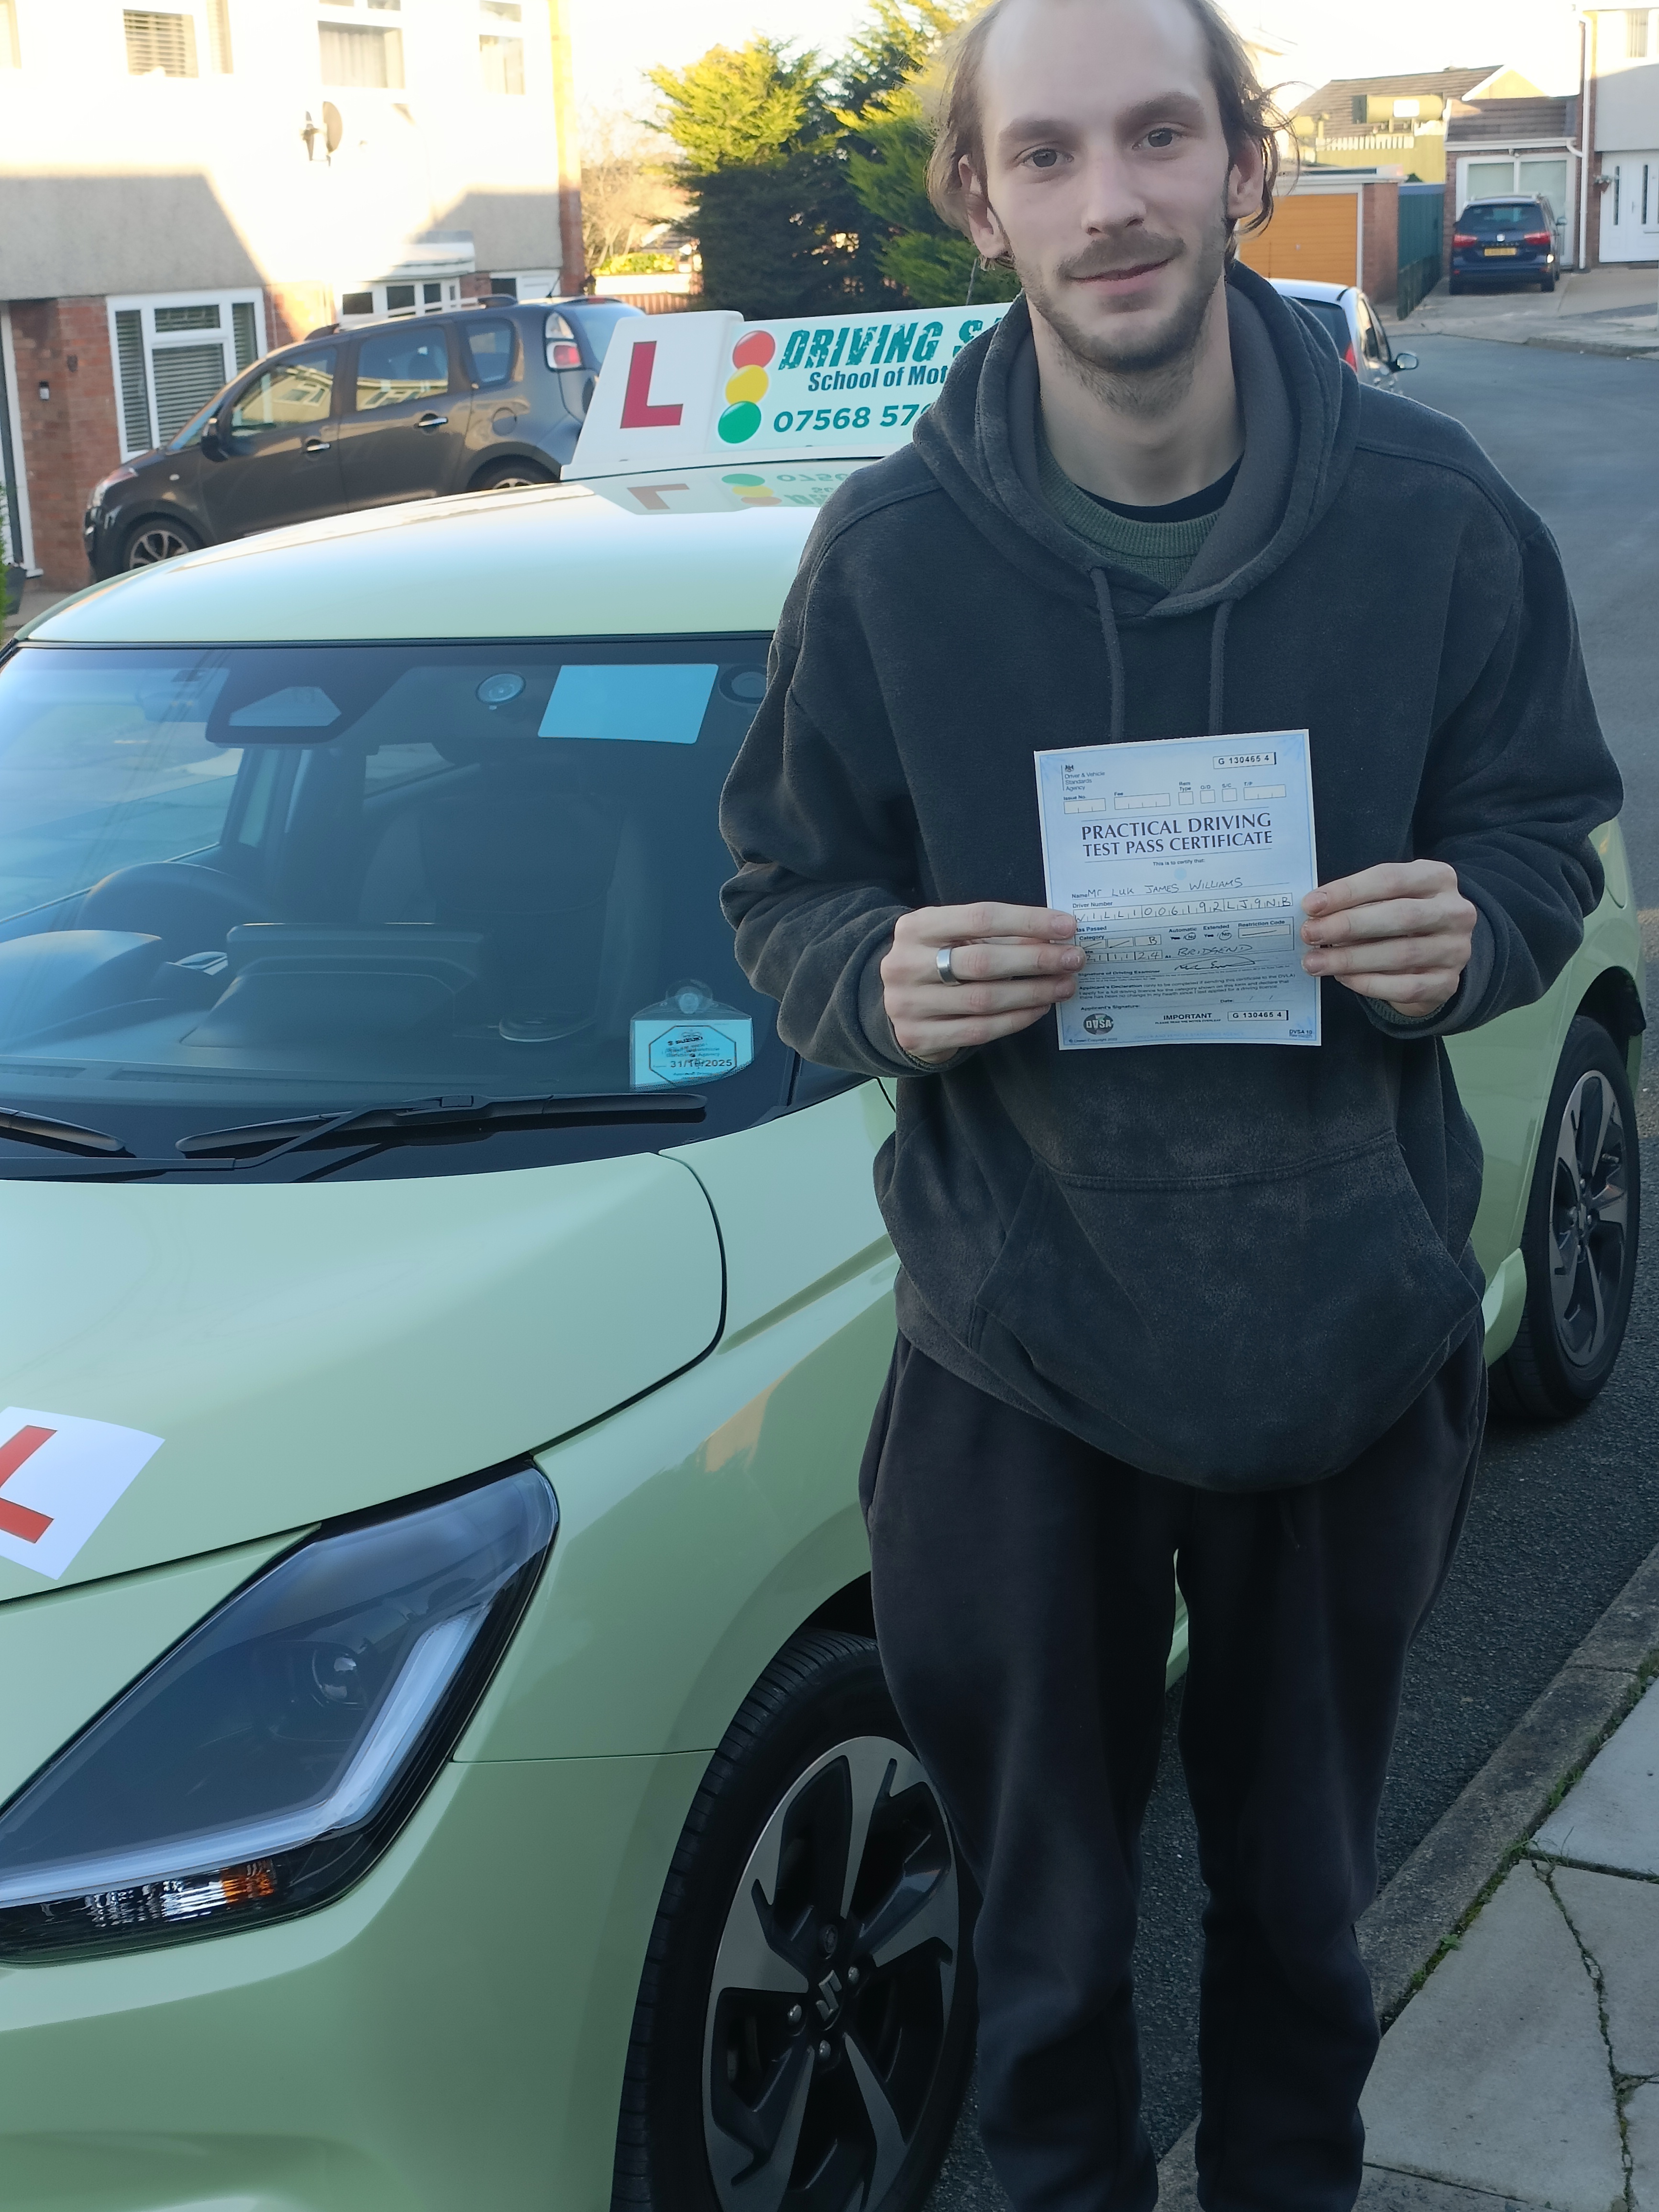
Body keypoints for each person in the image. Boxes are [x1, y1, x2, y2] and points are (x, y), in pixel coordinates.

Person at [719, 0, 1622, 2203]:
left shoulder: (1433, 516)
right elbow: (783, 892)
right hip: (1018, 1361)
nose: (1106, 201)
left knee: (1302, 1938)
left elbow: (1543, 825)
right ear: (979, 196)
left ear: (1245, 162)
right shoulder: (889, 561)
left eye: (1155, 138)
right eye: (1046, 155)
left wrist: (1477, 928)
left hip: (1340, 1339)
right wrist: (882, 974)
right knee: (1036, 1976)